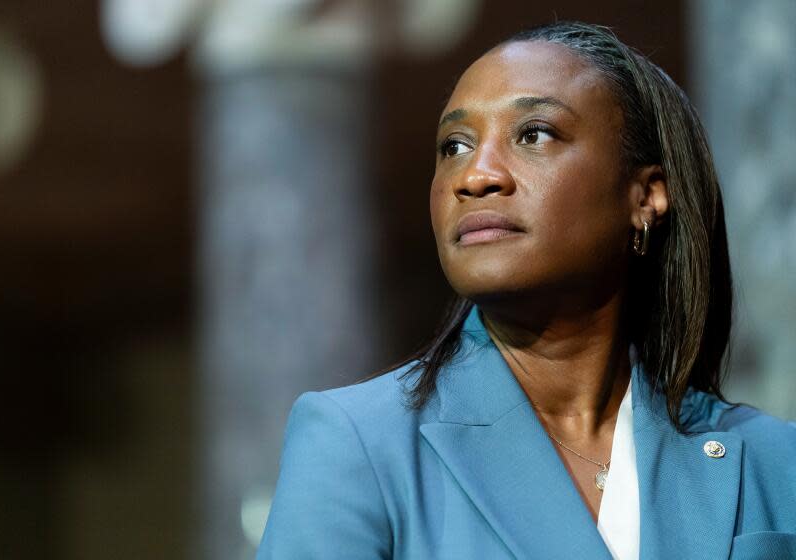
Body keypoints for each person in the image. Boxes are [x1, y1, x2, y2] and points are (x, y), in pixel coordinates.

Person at [257, 21, 796, 559]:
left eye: (533, 133)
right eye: (455, 145)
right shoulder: (356, 443)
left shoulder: (773, 460)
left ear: (645, 196)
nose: (476, 176)